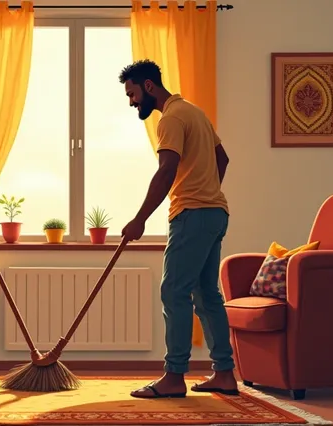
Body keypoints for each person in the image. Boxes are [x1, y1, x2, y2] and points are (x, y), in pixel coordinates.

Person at [118, 60, 238, 398]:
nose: (131, 102)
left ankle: (174, 376)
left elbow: (166, 169)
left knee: (174, 292)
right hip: (214, 213)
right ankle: (225, 373)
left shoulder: (170, 119)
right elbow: (223, 159)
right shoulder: (194, 112)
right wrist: (208, 191)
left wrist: (140, 218)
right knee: (206, 294)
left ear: (149, 86)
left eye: (132, 94)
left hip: (193, 214)